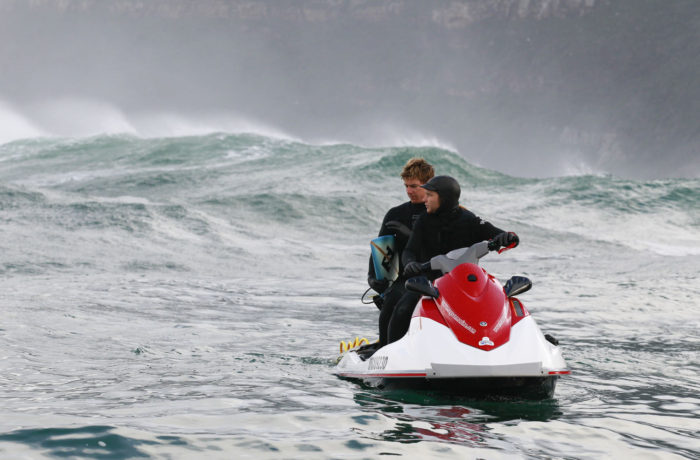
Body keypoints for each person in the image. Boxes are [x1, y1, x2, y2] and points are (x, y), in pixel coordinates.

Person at [386, 175, 519, 344]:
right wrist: (411, 263)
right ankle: (388, 352)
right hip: (430, 284)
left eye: (430, 195)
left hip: (464, 285)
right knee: (403, 307)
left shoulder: (469, 220)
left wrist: (507, 238)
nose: (424, 199)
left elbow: (499, 234)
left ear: (445, 199)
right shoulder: (424, 221)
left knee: (498, 308)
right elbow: (409, 251)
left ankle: (493, 344)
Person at [367, 158, 434, 347]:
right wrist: (372, 276)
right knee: (392, 300)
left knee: (404, 303)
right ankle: (384, 348)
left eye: (414, 186)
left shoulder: (438, 213)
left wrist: (410, 234)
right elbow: (380, 249)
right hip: (405, 278)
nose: (409, 191)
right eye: (406, 186)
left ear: (429, 184)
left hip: (435, 276)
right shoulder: (396, 214)